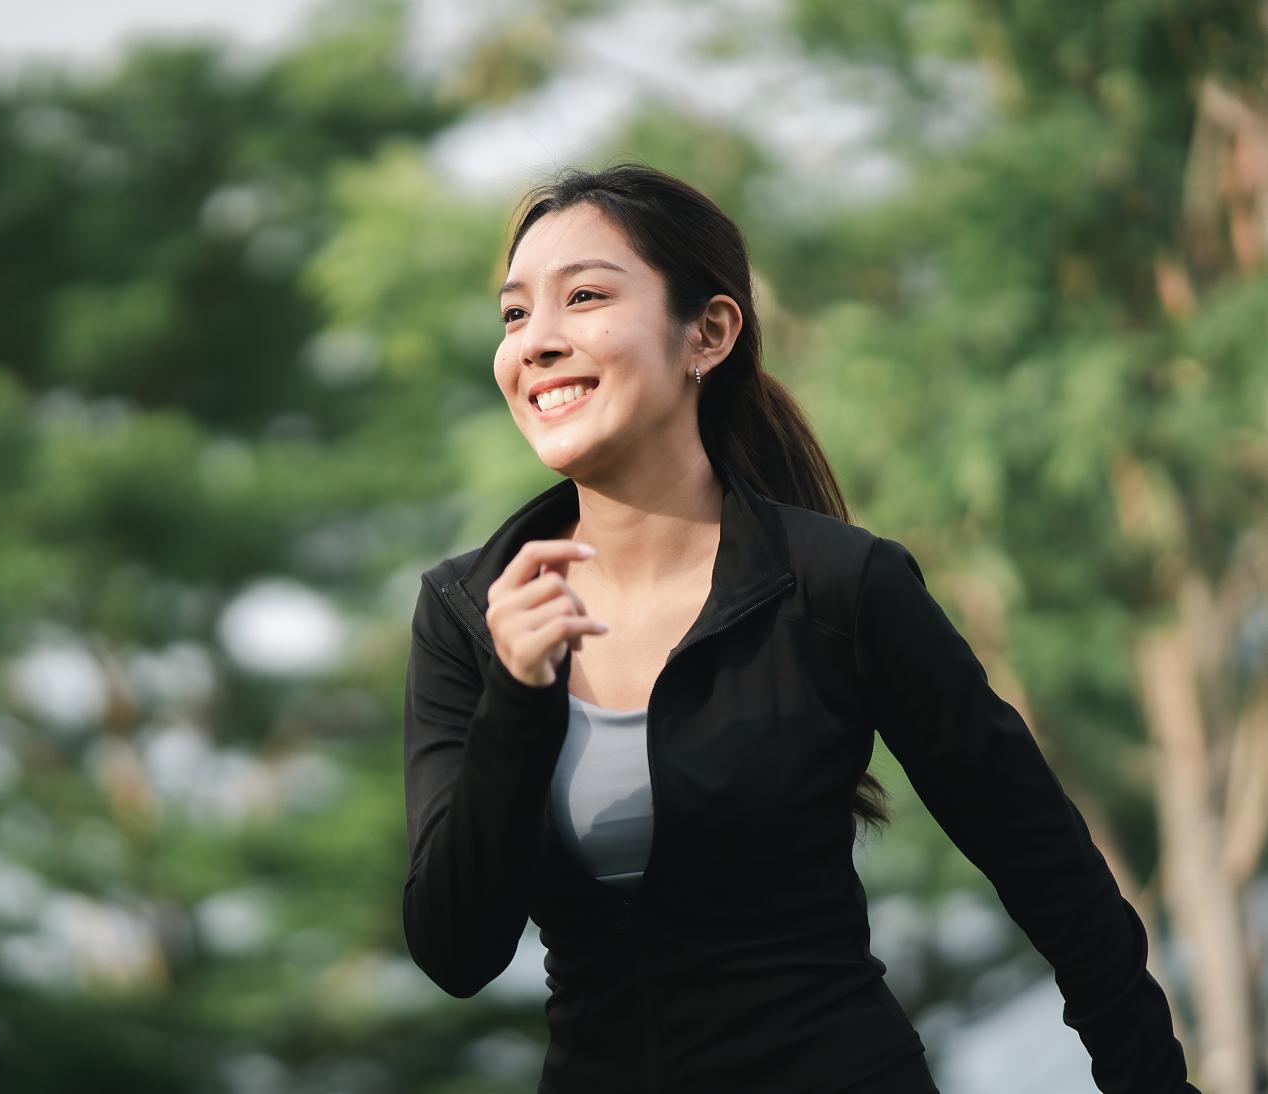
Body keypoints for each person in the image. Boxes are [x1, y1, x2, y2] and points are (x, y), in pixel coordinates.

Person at [400, 162, 1199, 1093]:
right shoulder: (470, 615)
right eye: (513, 314)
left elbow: (1052, 874)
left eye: (582, 298)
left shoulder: (839, 585)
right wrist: (518, 698)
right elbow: (455, 951)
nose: (536, 343)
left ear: (708, 333)